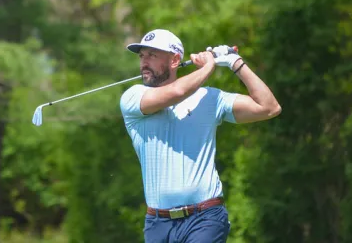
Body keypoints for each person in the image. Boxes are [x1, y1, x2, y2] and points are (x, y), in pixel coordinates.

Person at [119, 29, 281, 243]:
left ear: (175, 60)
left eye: (152, 55)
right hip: (158, 224)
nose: (144, 62)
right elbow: (176, 92)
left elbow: (269, 107)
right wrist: (208, 67)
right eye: (142, 56)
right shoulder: (133, 97)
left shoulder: (209, 98)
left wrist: (236, 63)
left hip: (205, 217)